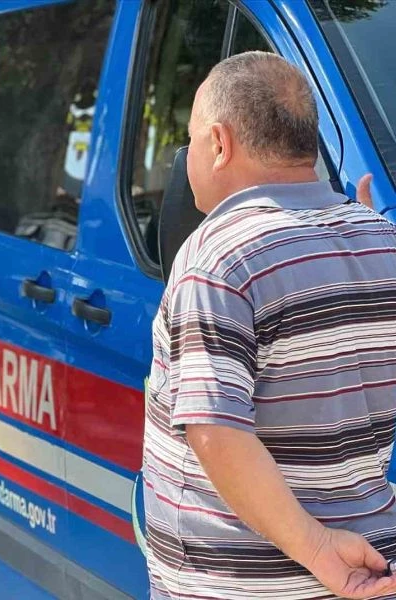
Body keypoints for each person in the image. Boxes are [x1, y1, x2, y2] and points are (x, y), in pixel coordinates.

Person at [143, 51, 396, 600]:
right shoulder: (382, 240)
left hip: (240, 583)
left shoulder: (218, 258)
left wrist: (316, 547)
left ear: (218, 143)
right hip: (373, 566)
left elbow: (216, 432)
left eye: (189, 141)